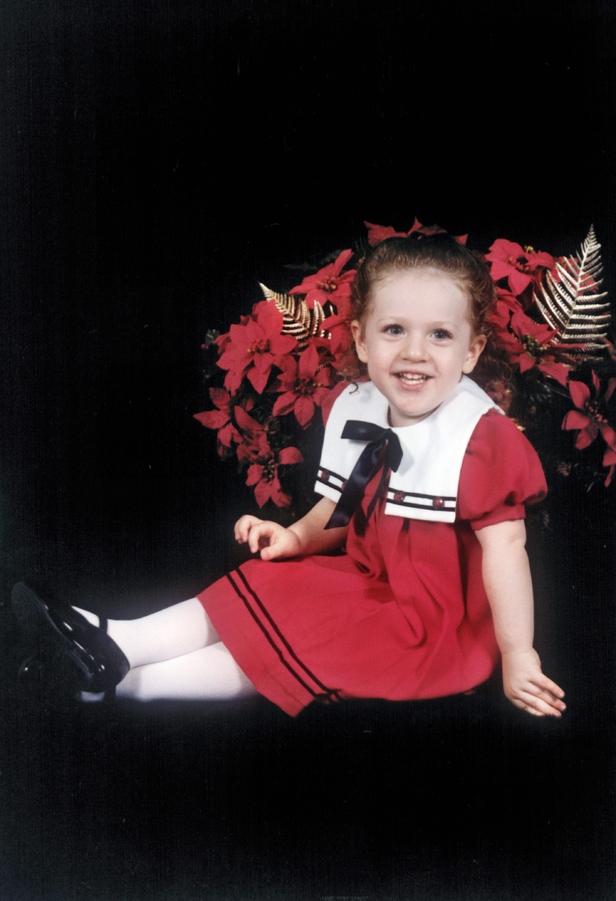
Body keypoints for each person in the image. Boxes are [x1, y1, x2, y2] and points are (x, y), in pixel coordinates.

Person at [11, 235, 566, 718]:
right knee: (269, 586)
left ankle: (117, 685)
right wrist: (297, 536)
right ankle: (115, 638)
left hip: (433, 620)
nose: (414, 352)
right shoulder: (364, 405)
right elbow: (345, 506)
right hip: (371, 578)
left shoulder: (481, 438)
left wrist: (519, 654)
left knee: (298, 646)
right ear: (362, 340)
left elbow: (505, 551)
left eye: (440, 335)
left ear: (471, 351)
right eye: (394, 329)